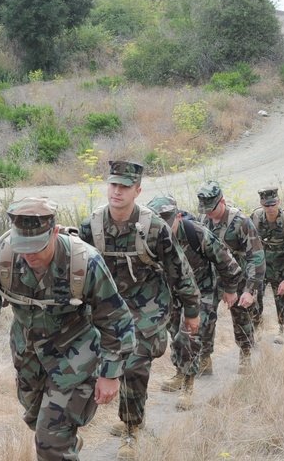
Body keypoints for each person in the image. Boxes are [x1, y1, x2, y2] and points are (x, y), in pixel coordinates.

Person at [0, 197, 136, 460]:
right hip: (28, 357)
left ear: (54, 233)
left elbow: (115, 319)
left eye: (36, 247)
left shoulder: (84, 262)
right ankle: (65, 443)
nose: (29, 254)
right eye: (23, 246)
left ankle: (60, 444)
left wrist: (111, 373)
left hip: (75, 358)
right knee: (36, 421)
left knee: (49, 440)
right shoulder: (0, 259)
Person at [77, 160, 200, 460]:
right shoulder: (90, 227)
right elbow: (75, 273)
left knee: (132, 365)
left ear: (137, 190)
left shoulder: (154, 228)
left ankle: (131, 428)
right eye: (113, 185)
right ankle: (70, 433)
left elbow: (179, 271)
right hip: (105, 309)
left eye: (124, 186)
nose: (117, 191)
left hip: (147, 309)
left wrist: (192, 310)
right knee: (83, 365)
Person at [146, 194, 241, 410]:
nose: (164, 228)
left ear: (178, 217)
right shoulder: (148, 236)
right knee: (174, 334)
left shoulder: (195, 233)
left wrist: (231, 289)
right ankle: (185, 369)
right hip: (172, 292)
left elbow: (226, 260)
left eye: (168, 223)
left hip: (202, 289)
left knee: (189, 333)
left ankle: (188, 386)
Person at [196, 180, 265, 374]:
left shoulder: (241, 221)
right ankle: (204, 359)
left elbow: (257, 256)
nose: (208, 212)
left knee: (242, 316)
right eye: (205, 209)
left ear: (222, 201)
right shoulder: (203, 220)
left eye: (211, 208)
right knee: (204, 317)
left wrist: (249, 290)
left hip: (240, 277)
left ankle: (245, 354)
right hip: (212, 278)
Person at [250, 187, 284, 344]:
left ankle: (283, 329)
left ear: (278, 202)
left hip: (281, 268)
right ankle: (257, 326)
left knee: (283, 300)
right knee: (253, 297)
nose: (270, 208)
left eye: (273, 204)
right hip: (260, 268)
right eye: (266, 205)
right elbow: (247, 244)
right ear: (261, 204)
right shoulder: (255, 218)